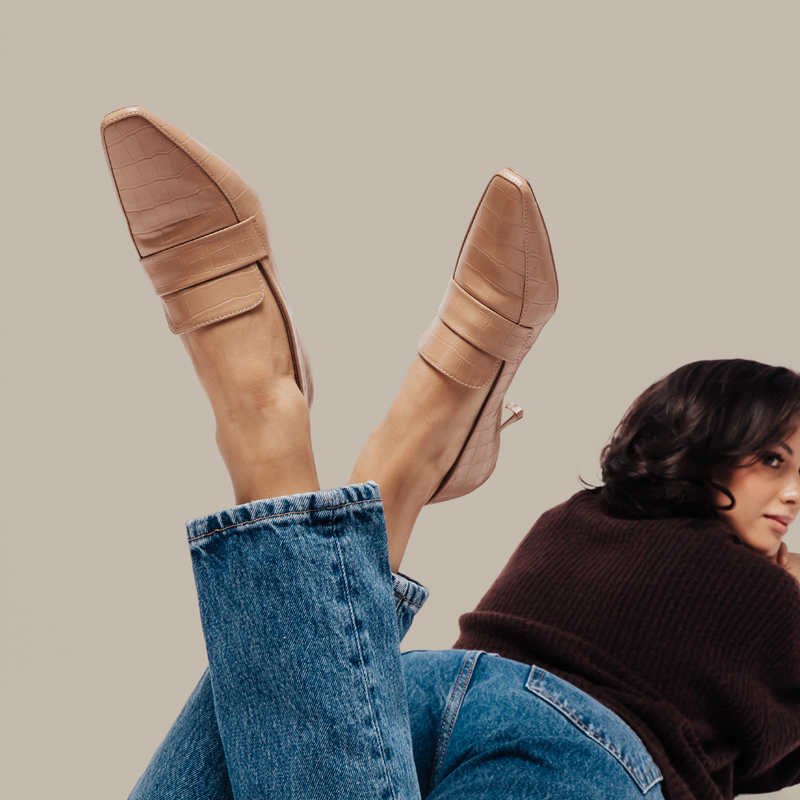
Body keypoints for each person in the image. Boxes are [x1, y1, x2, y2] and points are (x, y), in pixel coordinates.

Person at [101, 107, 800, 800]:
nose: (795, 492)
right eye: (774, 459)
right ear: (706, 438)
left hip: (456, 713)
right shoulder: (613, 517)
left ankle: (327, 441)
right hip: (534, 734)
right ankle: (387, 457)